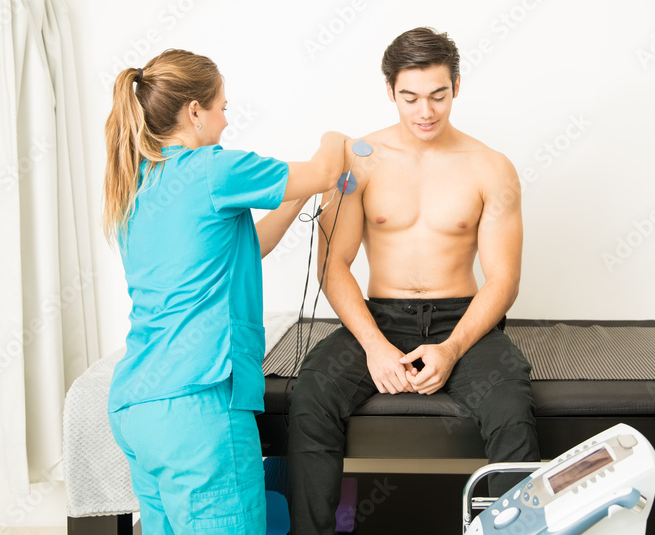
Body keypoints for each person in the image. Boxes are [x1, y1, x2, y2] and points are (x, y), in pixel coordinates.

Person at [287, 27, 540, 533]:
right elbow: (334, 267)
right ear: (390, 91)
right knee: (311, 395)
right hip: (379, 316)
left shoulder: (491, 167)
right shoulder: (358, 162)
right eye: (411, 97)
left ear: (457, 87)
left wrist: (451, 349)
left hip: (462, 321)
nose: (425, 111)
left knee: (512, 409)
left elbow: (504, 279)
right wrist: (376, 347)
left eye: (438, 96)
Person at [102, 48, 346, 533]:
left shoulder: (139, 184)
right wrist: (337, 138)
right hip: (197, 409)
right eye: (222, 109)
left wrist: (300, 195)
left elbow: (248, 248)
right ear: (195, 111)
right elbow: (324, 167)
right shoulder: (213, 169)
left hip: (139, 409)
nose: (225, 122)